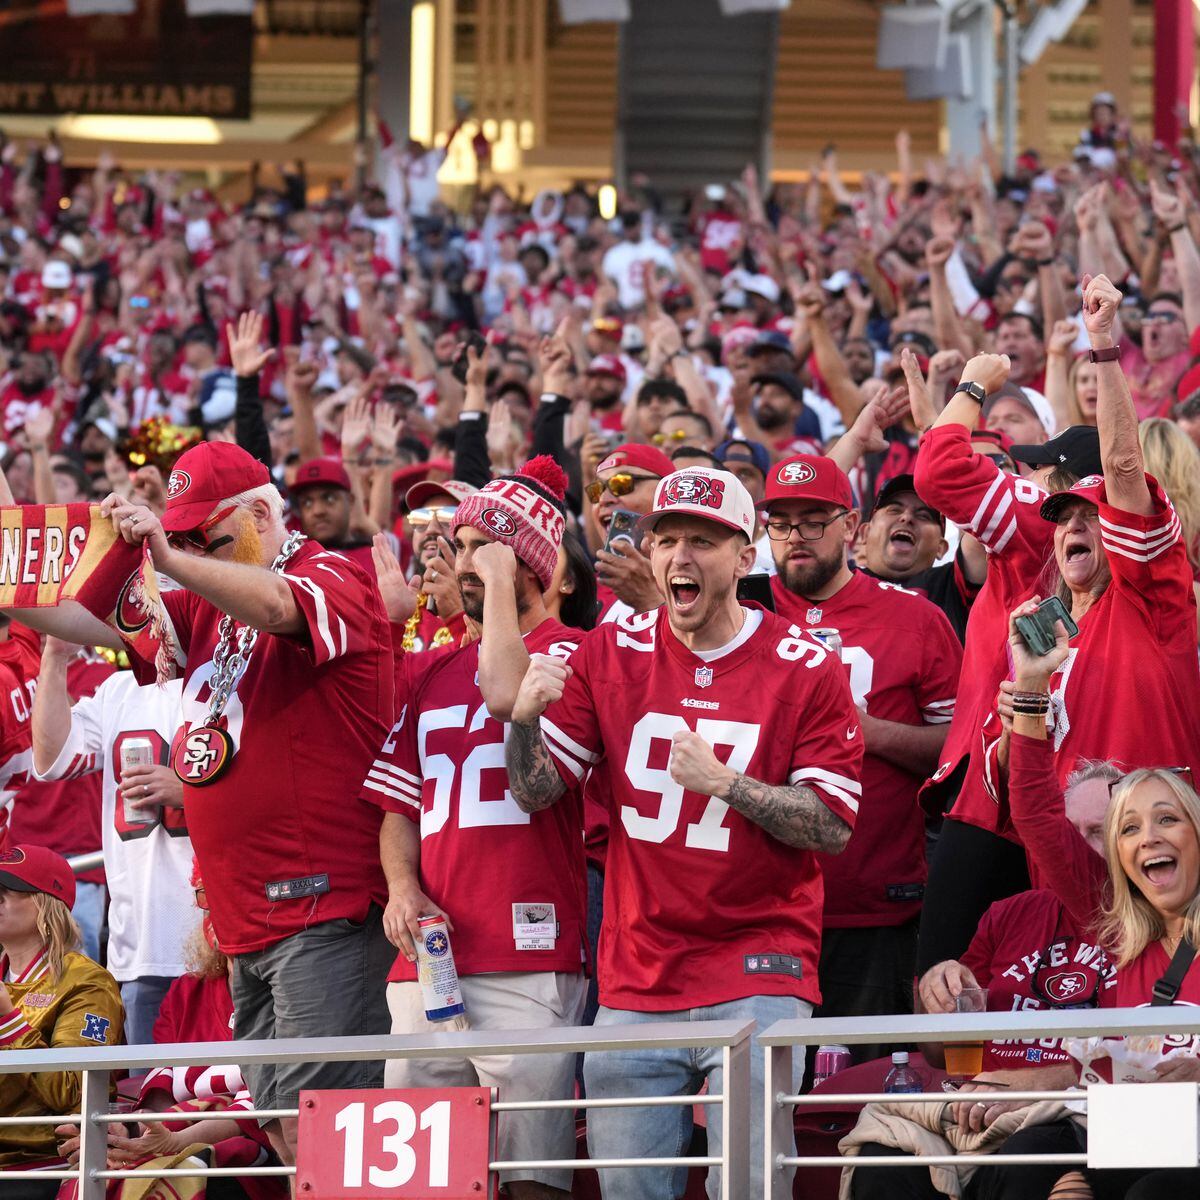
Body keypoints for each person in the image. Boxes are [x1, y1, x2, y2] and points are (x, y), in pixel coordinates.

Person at [11, 430, 396, 1166]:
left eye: (205, 537)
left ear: (258, 515)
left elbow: (283, 606)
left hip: (325, 909)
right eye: (181, 538)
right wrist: (17, 575)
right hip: (244, 923)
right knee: (280, 1128)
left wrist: (168, 553)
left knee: (327, 1130)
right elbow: (77, 613)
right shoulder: (205, 607)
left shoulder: (333, 573)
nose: (191, 551)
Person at [504, 466, 864, 1200]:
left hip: (758, 964)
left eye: (704, 540)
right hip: (638, 972)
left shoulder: (807, 667)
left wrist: (727, 785)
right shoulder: (609, 652)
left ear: (746, 553)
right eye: (666, 540)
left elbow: (831, 825)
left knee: (754, 1188)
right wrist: (521, 718)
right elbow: (537, 790)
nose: (679, 558)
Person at [363, 457, 587, 1200]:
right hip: (429, 958)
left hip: (531, 949)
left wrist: (496, 581)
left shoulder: (577, 654)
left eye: (480, 548)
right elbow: (399, 803)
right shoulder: (431, 671)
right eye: (458, 548)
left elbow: (505, 690)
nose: (459, 562)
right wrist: (401, 886)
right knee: (417, 1180)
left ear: (527, 563)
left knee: (532, 1175)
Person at [910, 347, 1101, 974]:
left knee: (946, 977)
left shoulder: (1038, 518)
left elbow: (937, 474)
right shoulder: (1132, 556)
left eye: (1043, 472)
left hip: (1002, 789)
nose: (1031, 481)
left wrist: (973, 386)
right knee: (1056, 977)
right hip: (1077, 792)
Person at [764, 454, 962, 1043]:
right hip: (757, 913)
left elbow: (958, 750)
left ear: (851, 527)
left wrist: (870, 732)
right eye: (781, 522)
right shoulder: (741, 611)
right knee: (767, 1102)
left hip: (875, 902)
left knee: (865, 1089)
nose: (796, 536)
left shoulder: (917, 619)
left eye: (813, 521)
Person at [1007, 618, 1200, 1200]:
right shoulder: (1116, 924)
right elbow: (1037, 813)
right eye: (1130, 829)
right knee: (1027, 1162)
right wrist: (1033, 688)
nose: (1149, 839)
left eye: (1168, 819)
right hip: (1143, 1130)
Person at [30, 637, 190, 1049]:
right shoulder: (119, 688)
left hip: (220, 938)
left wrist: (191, 793)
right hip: (139, 938)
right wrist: (55, 657)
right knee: (148, 1095)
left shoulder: (232, 676)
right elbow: (51, 758)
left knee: (218, 1094)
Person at [0, 845, 123, 1195]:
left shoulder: (87, 981)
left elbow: (75, 1091)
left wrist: (9, 1022)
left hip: (37, 1166)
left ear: (45, 902)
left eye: (5, 890)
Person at [585, 443, 673, 622]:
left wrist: (649, 600)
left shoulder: (696, 578)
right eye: (596, 490)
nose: (603, 499)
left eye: (622, 483)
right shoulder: (582, 591)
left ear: (667, 491)